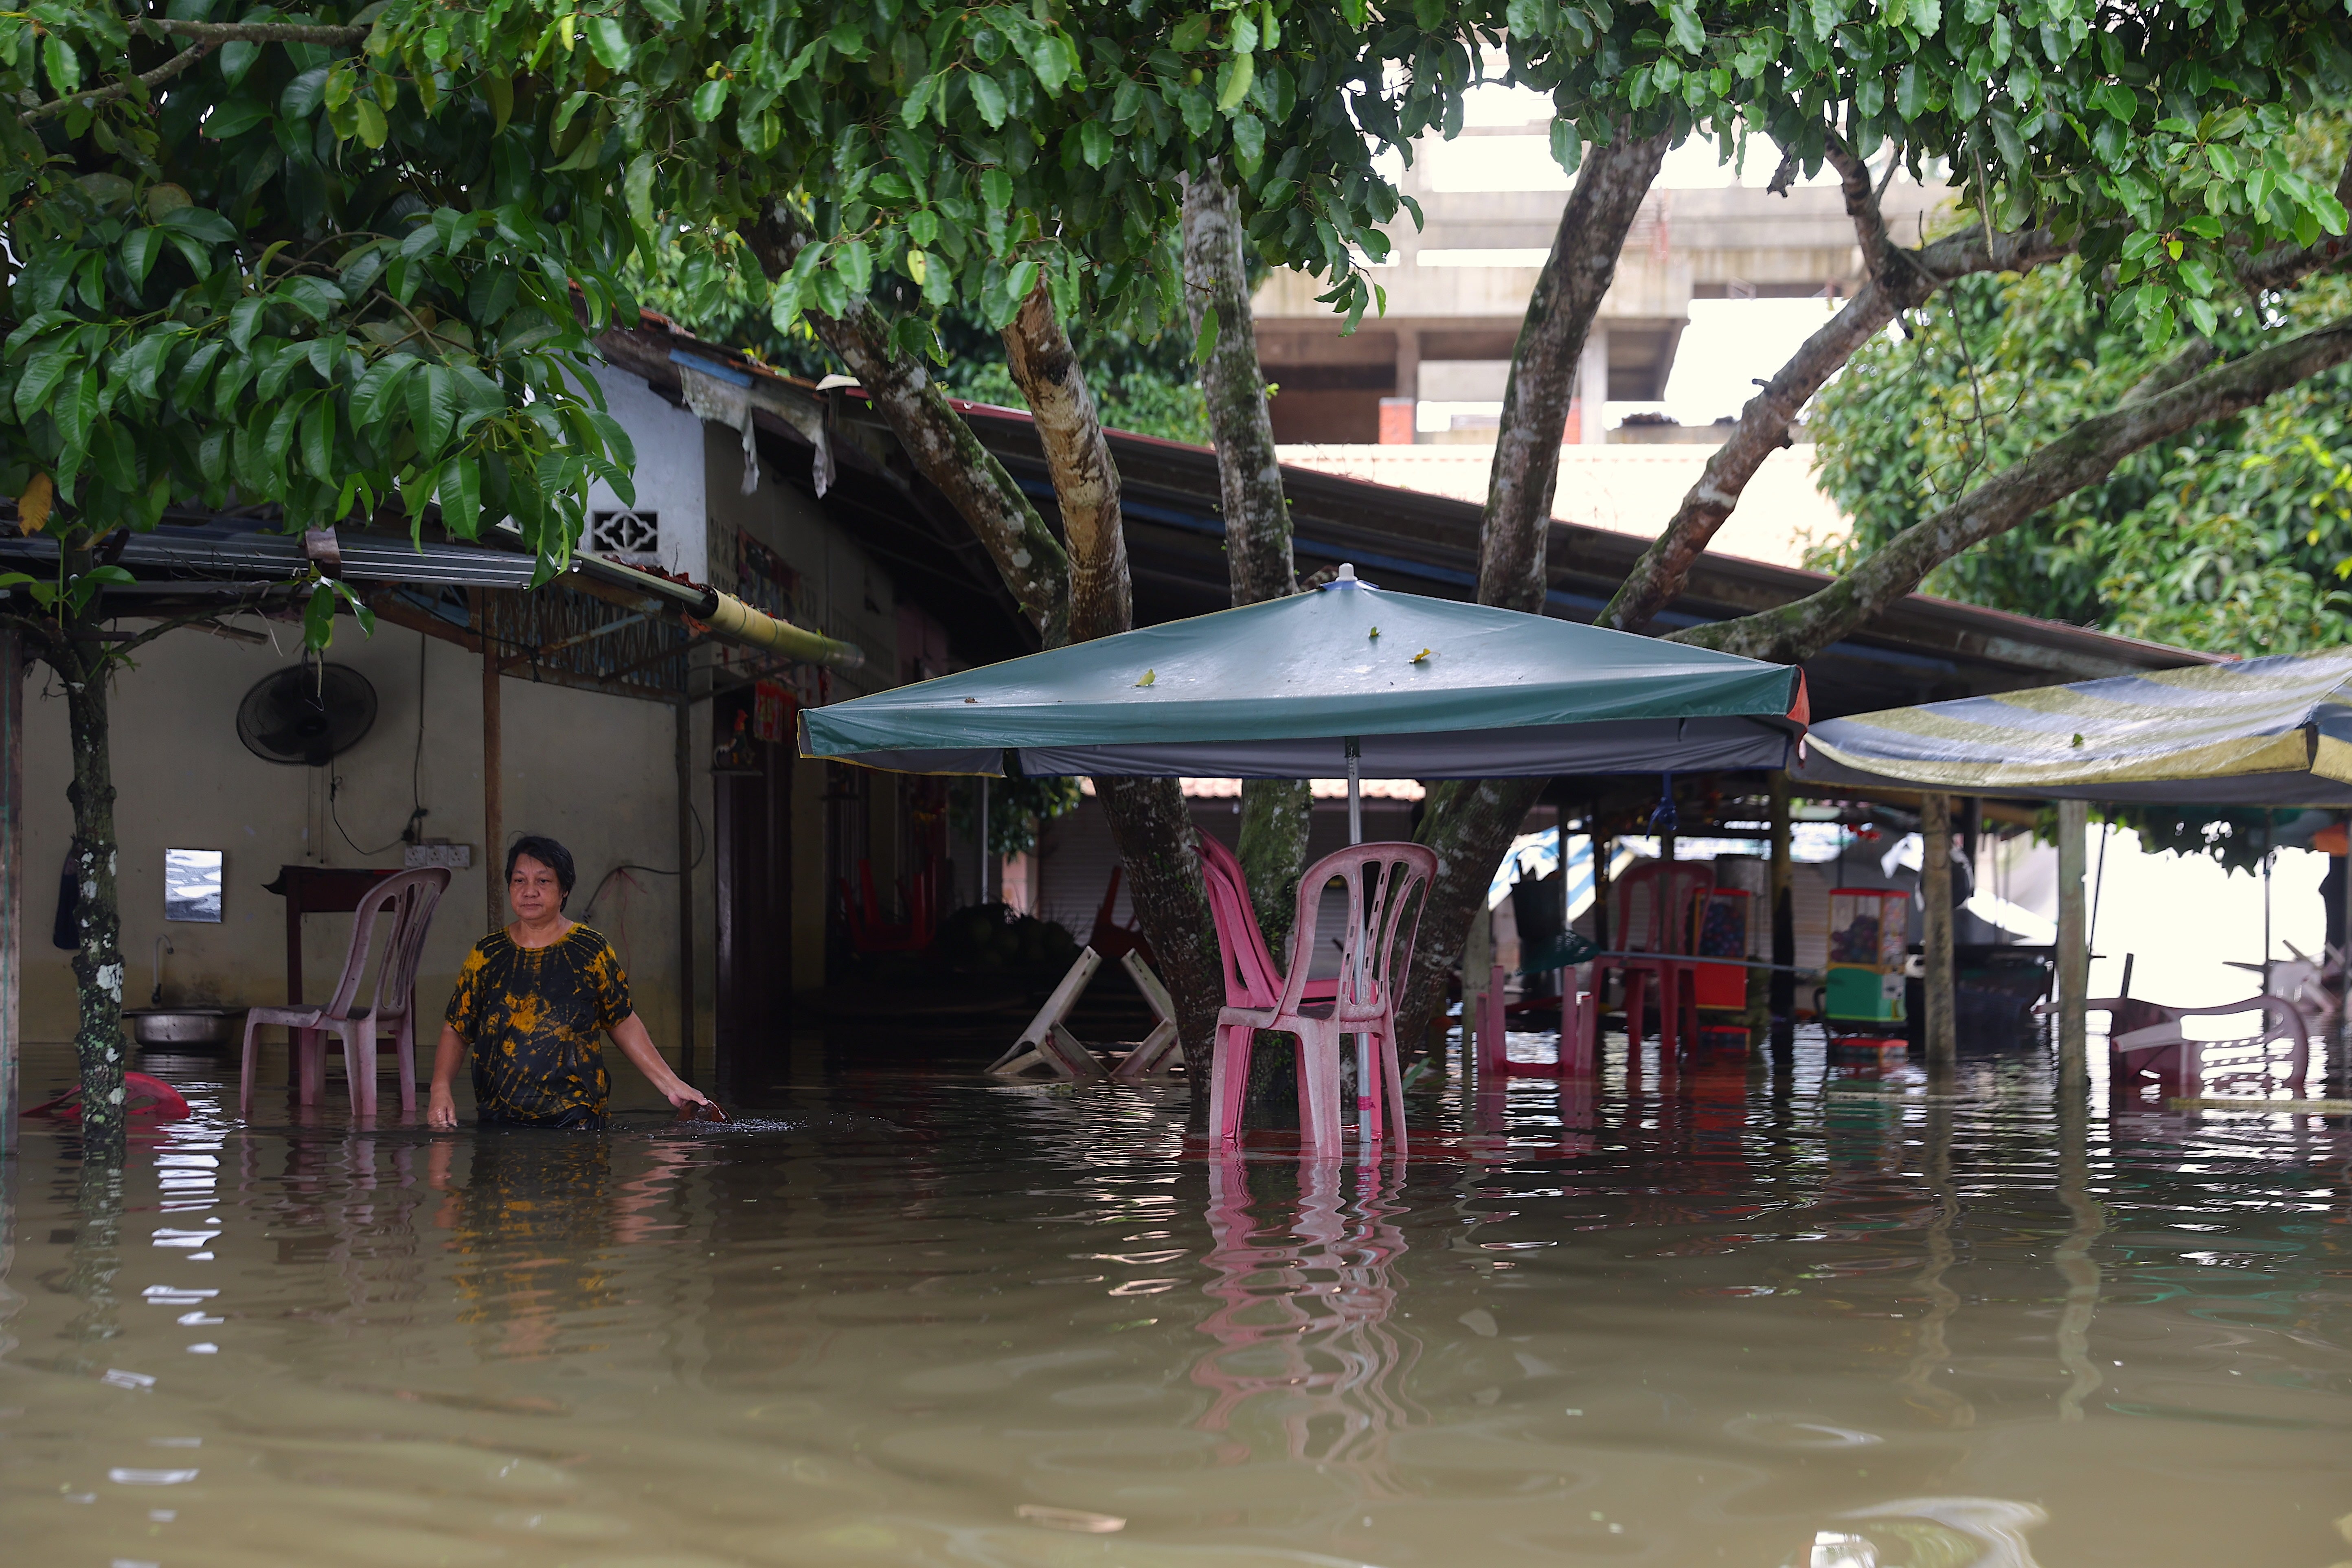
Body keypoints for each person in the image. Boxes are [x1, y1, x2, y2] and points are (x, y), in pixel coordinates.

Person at [427, 834, 713, 1129]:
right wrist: (440, 1089)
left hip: (577, 1121)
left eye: (543, 881)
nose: (529, 891)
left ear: (564, 890)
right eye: (519, 880)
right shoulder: (487, 955)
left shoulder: (591, 950)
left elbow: (622, 1022)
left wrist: (672, 1085)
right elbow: (456, 1028)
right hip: (499, 1121)